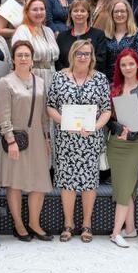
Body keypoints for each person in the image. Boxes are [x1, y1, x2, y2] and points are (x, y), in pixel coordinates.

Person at [47, 40, 111, 243]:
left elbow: (107, 110)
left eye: (87, 54)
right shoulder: (59, 77)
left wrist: (96, 127)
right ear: (72, 55)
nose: (83, 57)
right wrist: (65, 122)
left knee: (89, 182)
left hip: (90, 138)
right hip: (66, 138)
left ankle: (86, 224)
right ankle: (68, 224)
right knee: (67, 182)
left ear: (92, 57)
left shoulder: (100, 79)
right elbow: (50, 106)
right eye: (79, 53)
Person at [0, 40, 53, 242]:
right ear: (13, 59)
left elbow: (44, 115)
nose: (23, 58)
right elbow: (3, 114)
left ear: (32, 59)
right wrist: (10, 140)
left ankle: (34, 224)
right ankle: (19, 225)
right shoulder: (5, 82)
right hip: (15, 138)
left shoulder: (41, 82)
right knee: (15, 183)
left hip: (37, 137)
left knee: (40, 182)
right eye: (19, 55)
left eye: (26, 55)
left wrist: (46, 137)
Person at [106, 49, 138, 248]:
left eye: (131, 64)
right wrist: (119, 129)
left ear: (137, 65)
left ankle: (116, 233)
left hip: (134, 145)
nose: (127, 68)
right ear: (119, 67)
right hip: (115, 144)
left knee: (124, 188)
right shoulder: (113, 88)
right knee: (125, 187)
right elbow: (108, 117)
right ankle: (130, 228)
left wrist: (131, 135)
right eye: (123, 64)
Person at [12, 0, 59, 89]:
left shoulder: (49, 31)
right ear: (27, 12)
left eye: (42, 9)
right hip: (32, 78)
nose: (39, 12)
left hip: (51, 78)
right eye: (35, 10)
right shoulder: (22, 30)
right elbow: (20, 59)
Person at [55, 0, 107, 72]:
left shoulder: (98, 35)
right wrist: (69, 74)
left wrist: (83, 74)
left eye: (82, 11)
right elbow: (58, 61)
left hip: (91, 76)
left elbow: (100, 61)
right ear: (70, 14)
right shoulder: (62, 37)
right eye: (75, 11)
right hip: (66, 77)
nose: (79, 14)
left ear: (88, 14)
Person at [104, 0, 138, 81]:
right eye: (116, 12)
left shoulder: (137, 34)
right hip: (109, 81)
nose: (119, 14)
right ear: (111, 14)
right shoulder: (105, 35)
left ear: (128, 13)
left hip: (130, 80)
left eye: (122, 11)